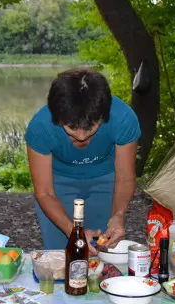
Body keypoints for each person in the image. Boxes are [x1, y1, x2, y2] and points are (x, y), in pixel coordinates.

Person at [25, 68, 141, 255]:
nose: (81, 136)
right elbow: (45, 192)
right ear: (57, 117)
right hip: (58, 182)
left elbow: (125, 177)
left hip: (107, 178)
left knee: (103, 250)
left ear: (104, 116)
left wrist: (118, 215)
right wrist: (74, 232)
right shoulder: (40, 127)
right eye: (71, 127)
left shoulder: (123, 119)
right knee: (61, 253)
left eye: (90, 127)